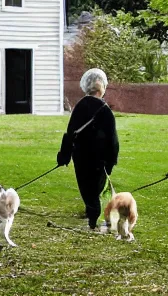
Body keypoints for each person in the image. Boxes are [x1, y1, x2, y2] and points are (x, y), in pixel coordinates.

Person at [56, 68, 119, 230]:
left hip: (81, 155)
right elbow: (112, 139)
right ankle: (95, 218)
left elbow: (70, 133)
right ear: (102, 88)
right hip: (99, 158)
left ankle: (92, 213)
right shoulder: (105, 110)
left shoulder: (79, 106)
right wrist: (111, 161)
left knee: (85, 186)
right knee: (97, 187)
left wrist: (64, 156)